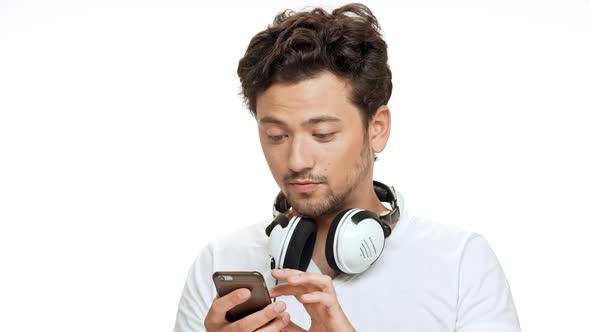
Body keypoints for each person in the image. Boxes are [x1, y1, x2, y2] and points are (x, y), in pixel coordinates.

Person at [173, 3, 521, 331]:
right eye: (276, 135)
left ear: (377, 128)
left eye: (322, 134)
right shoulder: (219, 261)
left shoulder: (461, 263)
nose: (296, 161)